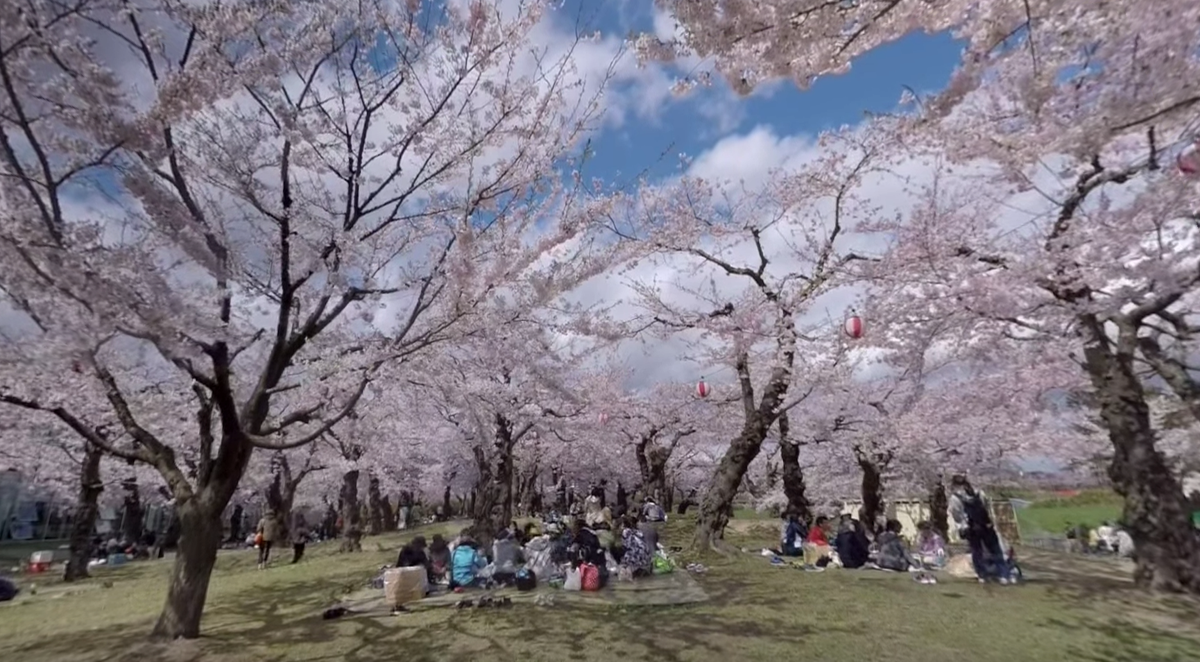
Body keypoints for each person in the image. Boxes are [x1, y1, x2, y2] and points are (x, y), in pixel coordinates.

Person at [948, 474, 1010, 584]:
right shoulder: (978, 492)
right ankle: (1003, 574)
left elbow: (957, 515)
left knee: (977, 551)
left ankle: (982, 575)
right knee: (995, 549)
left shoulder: (955, 498)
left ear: (954, 484)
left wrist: (962, 527)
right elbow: (986, 507)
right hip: (986, 525)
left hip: (972, 527)